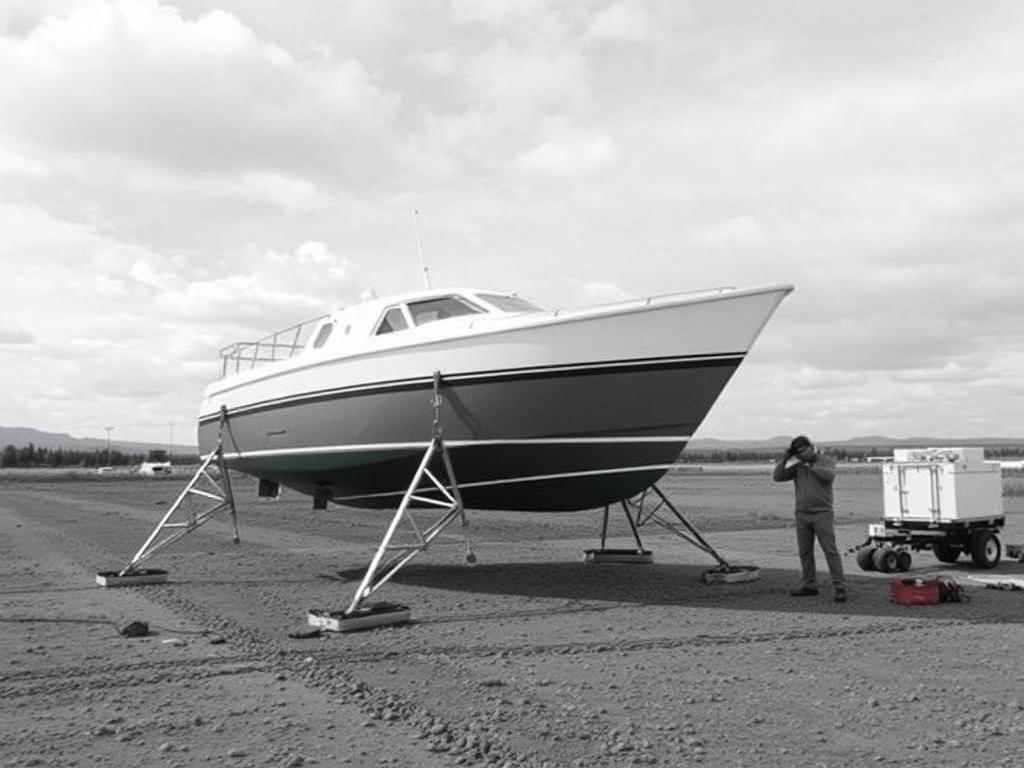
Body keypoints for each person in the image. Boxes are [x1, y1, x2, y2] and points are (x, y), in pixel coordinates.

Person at [773, 435, 847, 603]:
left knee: (830, 550)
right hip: (802, 514)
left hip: (822, 514)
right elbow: (777, 476)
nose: (801, 455)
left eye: (803, 451)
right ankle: (809, 585)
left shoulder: (825, 461)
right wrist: (786, 457)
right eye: (798, 453)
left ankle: (840, 587)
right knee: (805, 552)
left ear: (811, 447)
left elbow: (828, 476)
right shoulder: (798, 466)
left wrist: (810, 465)